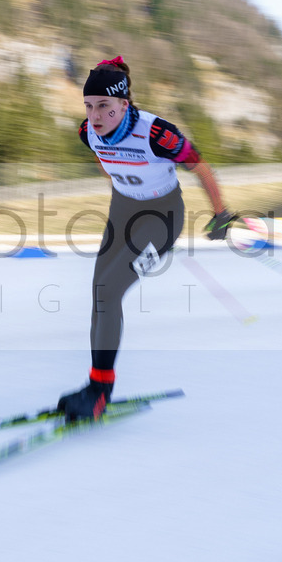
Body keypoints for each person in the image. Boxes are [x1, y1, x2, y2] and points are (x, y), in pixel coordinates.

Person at [56, 56, 235, 421]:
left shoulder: (157, 134)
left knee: (109, 291)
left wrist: (221, 214)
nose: (95, 116)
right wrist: (120, 184)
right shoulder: (86, 132)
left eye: (104, 106)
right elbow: (102, 158)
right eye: (89, 106)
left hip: (162, 219)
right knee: (98, 292)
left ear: (124, 104)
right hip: (122, 212)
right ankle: (96, 384)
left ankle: (99, 392)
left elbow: (199, 165)